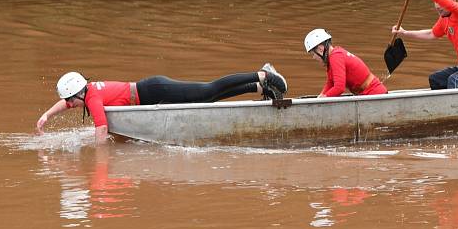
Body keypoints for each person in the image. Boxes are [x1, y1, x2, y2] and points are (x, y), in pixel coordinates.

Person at [36, 64, 287, 144]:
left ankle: (263, 75)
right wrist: (47, 116)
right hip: (150, 93)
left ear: (77, 94)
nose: (70, 104)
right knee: (207, 100)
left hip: (154, 89)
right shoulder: (86, 93)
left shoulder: (92, 97)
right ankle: (256, 88)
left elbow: (101, 130)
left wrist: (98, 156)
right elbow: (65, 105)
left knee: (207, 89)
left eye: (71, 100)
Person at [304, 28, 387, 97]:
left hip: (375, 94)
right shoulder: (334, 56)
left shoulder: (336, 57)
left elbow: (339, 88)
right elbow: (330, 83)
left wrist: (324, 99)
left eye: (313, 54)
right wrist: (320, 96)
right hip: (367, 95)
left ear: (320, 49)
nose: (314, 57)